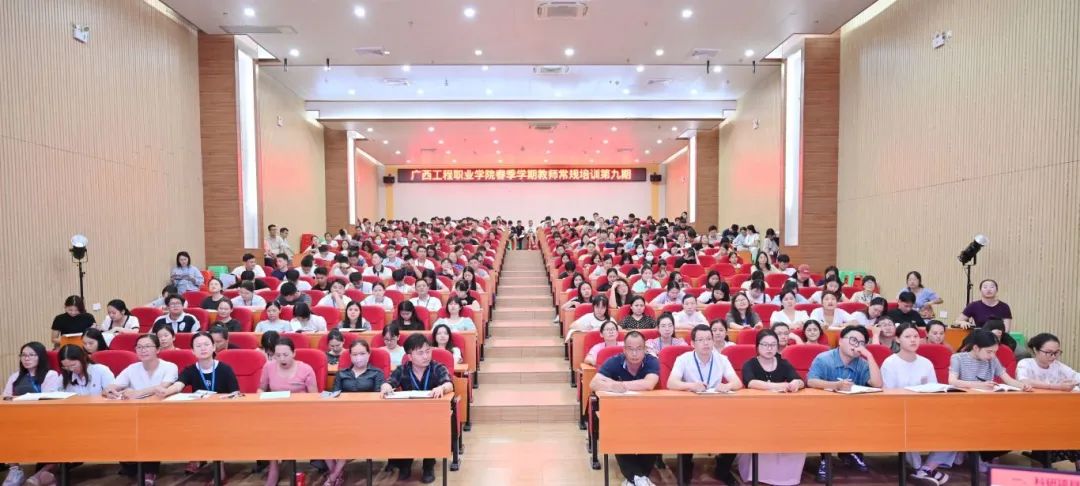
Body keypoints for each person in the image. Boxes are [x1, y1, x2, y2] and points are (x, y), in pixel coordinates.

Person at [667, 324, 743, 485]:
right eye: (701, 340)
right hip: (690, 409)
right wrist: (691, 386)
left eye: (709, 339)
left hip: (717, 408)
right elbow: (671, 383)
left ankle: (722, 468)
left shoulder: (721, 359)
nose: (706, 343)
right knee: (685, 430)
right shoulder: (683, 359)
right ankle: (686, 465)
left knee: (737, 428)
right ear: (692, 343)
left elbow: (737, 382)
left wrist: (727, 386)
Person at [880, 323, 956, 484]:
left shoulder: (926, 363)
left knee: (955, 426)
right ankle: (919, 468)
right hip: (898, 411)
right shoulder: (890, 363)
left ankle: (926, 469)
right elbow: (888, 393)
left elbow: (933, 389)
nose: (913, 340)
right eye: (907, 336)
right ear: (897, 339)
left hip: (924, 409)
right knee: (908, 424)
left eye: (915, 336)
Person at [806, 325, 883, 481]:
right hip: (824, 409)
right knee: (827, 418)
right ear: (840, 341)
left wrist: (869, 355)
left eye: (861, 343)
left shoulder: (862, 363)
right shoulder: (824, 358)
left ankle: (850, 451)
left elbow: (877, 384)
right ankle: (825, 458)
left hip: (852, 409)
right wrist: (835, 385)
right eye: (853, 340)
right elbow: (811, 381)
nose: (857, 345)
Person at [104, 334, 179, 485]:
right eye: (139, 347)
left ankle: (150, 471)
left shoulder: (170, 367)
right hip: (134, 413)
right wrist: (109, 390)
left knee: (148, 428)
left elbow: (162, 387)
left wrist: (137, 393)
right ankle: (131, 465)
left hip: (162, 413)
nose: (143, 350)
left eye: (147, 346)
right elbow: (113, 385)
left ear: (158, 349)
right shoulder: (132, 368)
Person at [380, 334, 454, 484]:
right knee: (399, 424)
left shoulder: (437, 367)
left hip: (432, 414)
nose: (426, 356)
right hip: (409, 414)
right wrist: (385, 386)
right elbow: (389, 382)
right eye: (420, 353)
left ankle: (428, 464)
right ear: (409, 356)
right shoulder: (402, 369)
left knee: (430, 426)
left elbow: (449, 384)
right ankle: (406, 461)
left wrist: (442, 388)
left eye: (428, 351)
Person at [589, 331, 661, 486]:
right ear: (624, 350)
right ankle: (640, 479)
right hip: (620, 413)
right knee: (616, 431)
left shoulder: (652, 361)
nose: (634, 353)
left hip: (647, 412)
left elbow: (649, 384)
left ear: (645, 349)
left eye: (639, 349)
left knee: (655, 431)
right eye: (630, 349)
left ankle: (634, 479)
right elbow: (594, 383)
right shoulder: (614, 361)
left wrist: (618, 385)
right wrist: (611, 387)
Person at [738, 329, 805, 485]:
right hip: (755, 412)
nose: (769, 348)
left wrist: (796, 383)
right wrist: (778, 385)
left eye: (773, 345)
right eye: (765, 345)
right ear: (757, 346)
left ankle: (786, 476)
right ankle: (758, 475)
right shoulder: (750, 364)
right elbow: (751, 382)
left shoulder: (784, 363)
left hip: (781, 412)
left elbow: (800, 381)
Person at [259, 337, 318, 486]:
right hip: (276, 412)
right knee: (269, 429)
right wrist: (260, 397)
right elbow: (261, 389)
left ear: (294, 353)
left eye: (285, 355)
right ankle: (274, 467)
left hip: (302, 413)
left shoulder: (306, 369)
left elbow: (314, 397)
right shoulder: (268, 367)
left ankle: (334, 471)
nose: (281, 359)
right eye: (277, 355)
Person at [326, 339, 387, 485]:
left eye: (362, 353)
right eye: (354, 354)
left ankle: (332, 477)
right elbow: (334, 396)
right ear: (350, 356)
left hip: (367, 418)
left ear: (368, 354)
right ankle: (337, 473)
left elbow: (378, 399)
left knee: (348, 438)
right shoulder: (342, 374)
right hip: (343, 416)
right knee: (322, 436)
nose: (358, 358)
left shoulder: (376, 373)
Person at [2, 343, 64, 485]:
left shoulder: (50, 375)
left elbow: (48, 400)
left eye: (31, 355)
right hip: (17, 417)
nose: (26, 358)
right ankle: (15, 470)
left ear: (40, 357)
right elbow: (5, 398)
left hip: (43, 418)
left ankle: (43, 475)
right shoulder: (15, 376)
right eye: (23, 355)